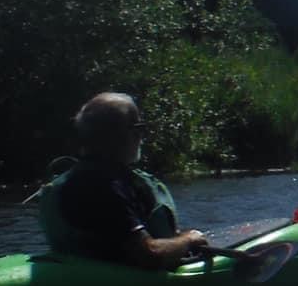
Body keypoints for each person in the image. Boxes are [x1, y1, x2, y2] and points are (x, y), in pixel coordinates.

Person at [37, 92, 210, 269]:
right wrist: (189, 240)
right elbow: (148, 254)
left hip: (78, 275)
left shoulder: (74, 179)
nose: (140, 136)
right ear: (123, 134)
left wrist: (177, 240)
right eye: (138, 128)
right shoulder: (102, 186)